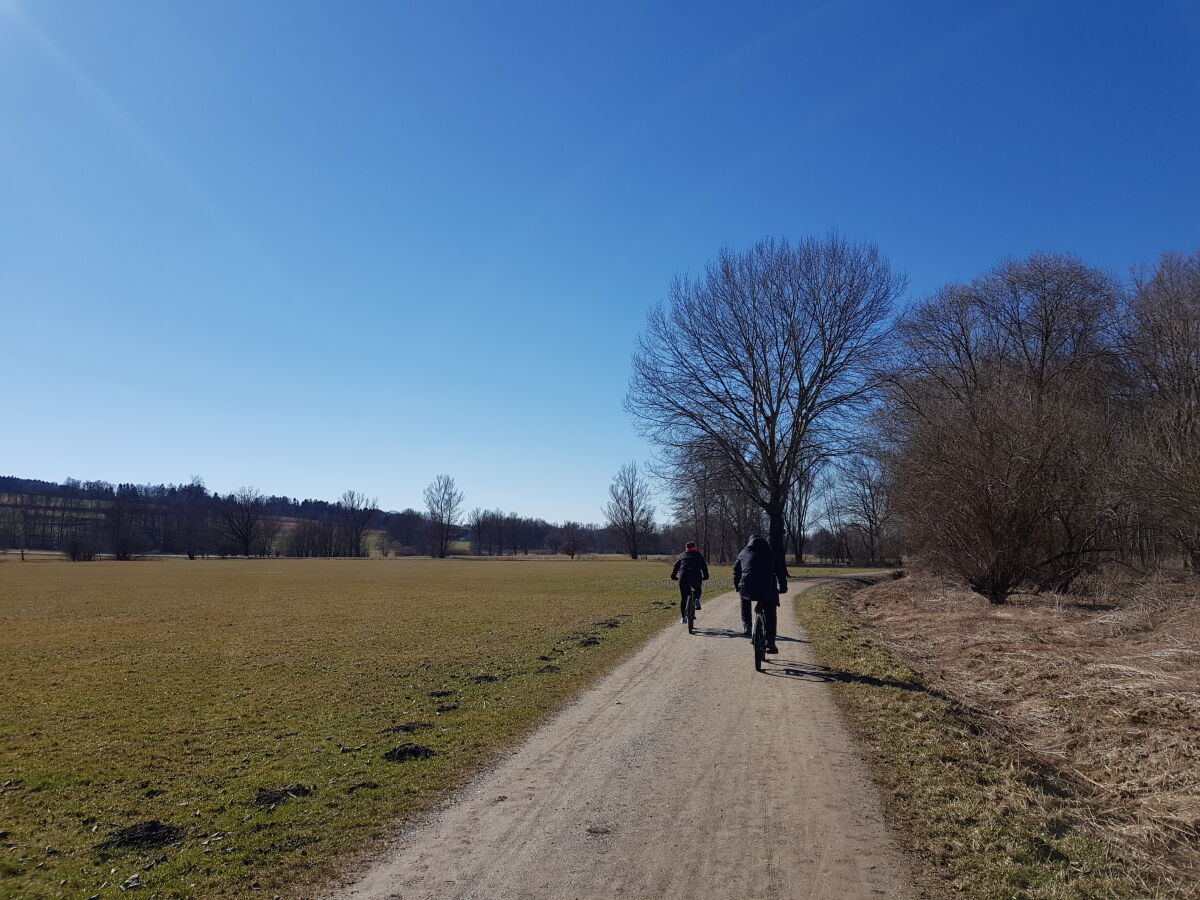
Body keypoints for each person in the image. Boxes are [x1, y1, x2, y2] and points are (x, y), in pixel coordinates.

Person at [732, 535, 787, 652]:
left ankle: (747, 626)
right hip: (768, 587)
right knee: (771, 612)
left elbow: (736, 572)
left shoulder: (743, 552)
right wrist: (783, 587)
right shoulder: (771, 553)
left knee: (744, 599)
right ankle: (770, 642)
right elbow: (780, 572)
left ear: (749, 542)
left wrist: (737, 586)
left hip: (748, 586)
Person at [670, 541, 709, 624]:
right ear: (695, 548)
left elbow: (676, 566)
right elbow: (704, 566)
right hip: (695, 576)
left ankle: (683, 618)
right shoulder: (698, 555)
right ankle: (697, 599)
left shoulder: (681, 555)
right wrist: (706, 576)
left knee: (684, 597)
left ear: (686, 548)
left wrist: (673, 575)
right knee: (697, 589)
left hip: (684, 576)